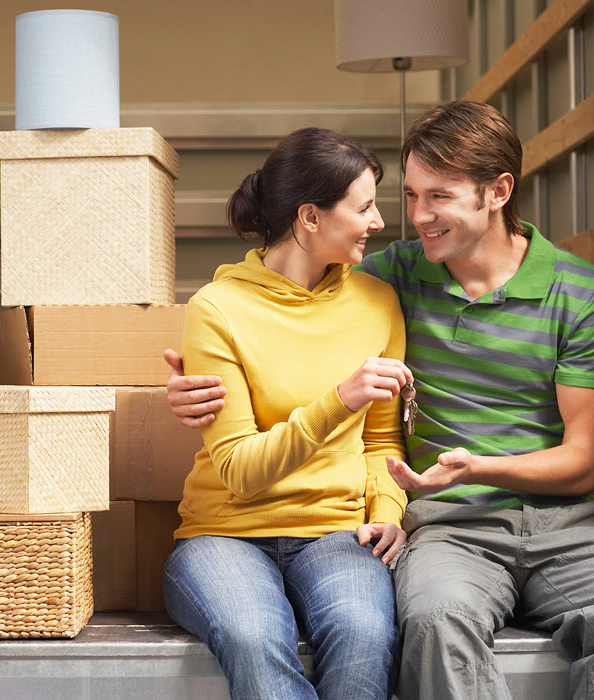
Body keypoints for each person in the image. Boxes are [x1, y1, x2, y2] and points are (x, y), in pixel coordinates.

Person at [165, 101, 594, 700]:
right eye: (410, 195)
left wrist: (475, 469)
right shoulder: (388, 279)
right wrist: (183, 387)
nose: (413, 217)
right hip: (449, 529)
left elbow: (586, 462)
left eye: (438, 196)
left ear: (498, 192)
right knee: (434, 624)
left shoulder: (578, 293)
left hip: (569, 527)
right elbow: (287, 294)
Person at [163, 127, 414, 700]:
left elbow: (381, 443)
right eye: (364, 207)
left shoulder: (378, 303)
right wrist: (339, 399)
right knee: (254, 637)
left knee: (365, 633)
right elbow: (239, 471)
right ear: (310, 217)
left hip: (336, 532)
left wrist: (387, 511)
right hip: (224, 535)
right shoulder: (218, 309)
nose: (378, 222)